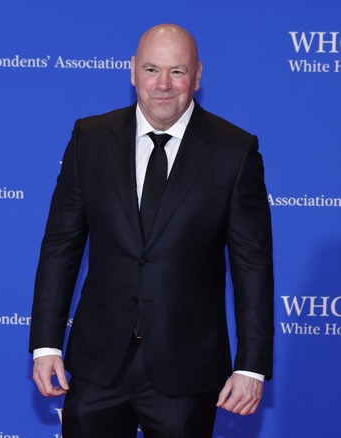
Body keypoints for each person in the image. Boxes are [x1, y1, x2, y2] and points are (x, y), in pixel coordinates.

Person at [29, 23, 274, 438]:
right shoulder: (90, 138)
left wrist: (251, 364)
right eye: (151, 69)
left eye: (177, 71)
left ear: (197, 76)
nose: (163, 85)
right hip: (96, 364)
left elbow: (252, 264)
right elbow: (60, 247)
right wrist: (46, 344)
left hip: (187, 368)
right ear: (132, 72)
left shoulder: (235, 150)